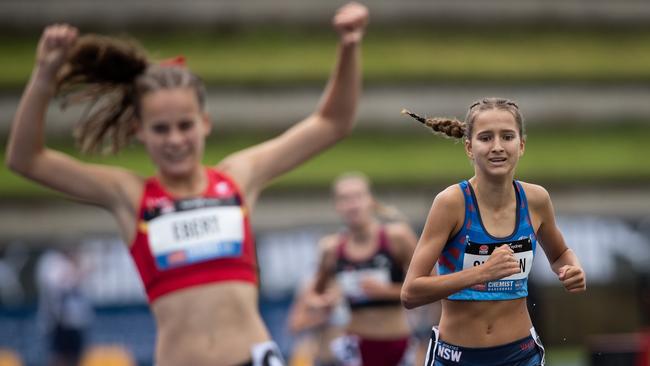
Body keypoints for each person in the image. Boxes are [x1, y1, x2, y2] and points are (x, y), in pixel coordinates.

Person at [5, 3, 368, 365]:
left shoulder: (237, 178)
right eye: (161, 128)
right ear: (139, 132)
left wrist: (349, 47)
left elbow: (332, 123)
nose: (175, 139)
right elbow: (25, 159)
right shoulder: (130, 196)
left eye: (185, 125)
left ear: (205, 123)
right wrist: (44, 76)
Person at [400, 98, 587, 366]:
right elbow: (411, 293)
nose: (497, 147)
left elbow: (561, 255)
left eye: (507, 136)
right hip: (456, 357)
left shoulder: (536, 200)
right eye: (486, 138)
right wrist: (481, 273)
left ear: (521, 145)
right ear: (469, 147)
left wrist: (572, 268)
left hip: (521, 356)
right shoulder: (451, 203)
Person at [310, 173, 418, 366]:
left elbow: (431, 284)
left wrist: (386, 291)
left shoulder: (397, 237)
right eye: (345, 199)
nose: (353, 205)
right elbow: (315, 294)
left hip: (397, 344)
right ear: (337, 206)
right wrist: (325, 301)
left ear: (371, 201)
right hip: (356, 346)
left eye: (358, 197)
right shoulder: (331, 248)